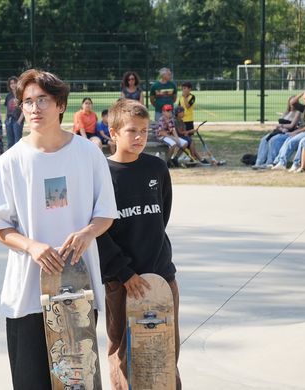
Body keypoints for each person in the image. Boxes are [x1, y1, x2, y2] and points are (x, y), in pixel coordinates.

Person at [0, 69, 117, 389]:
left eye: (42, 99)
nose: (34, 108)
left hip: (77, 290)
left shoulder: (88, 154)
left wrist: (87, 233)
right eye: (27, 101)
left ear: (60, 105)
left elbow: (106, 213)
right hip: (26, 294)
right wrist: (32, 246)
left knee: (76, 383)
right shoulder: (11, 161)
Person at [96, 98, 181, 390]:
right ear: (113, 132)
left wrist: (157, 269)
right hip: (122, 281)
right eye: (132, 130)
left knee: (165, 351)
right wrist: (124, 273)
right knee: (123, 353)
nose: (139, 137)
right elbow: (98, 232)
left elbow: (161, 215)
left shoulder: (156, 168)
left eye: (144, 131)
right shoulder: (102, 174)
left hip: (160, 277)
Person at [252, 95, 305, 169]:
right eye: (290, 103)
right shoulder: (286, 112)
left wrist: (281, 126)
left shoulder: (298, 112)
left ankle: (270, 162)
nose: (292, 105)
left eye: (294, 103)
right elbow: (280, 125)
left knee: (273, 140)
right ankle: (259, 162)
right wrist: (280, 126)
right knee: (264, 139)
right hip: (279, 130)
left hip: (288, 131)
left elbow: (291, 126)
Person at [271, 91, 305, 170]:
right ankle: (279, 162)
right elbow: (292, 102)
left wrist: (295, 132)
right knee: (285, 139)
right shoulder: (303, 108)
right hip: (299, 131)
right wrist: (302, 93)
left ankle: (285, 162)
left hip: (304, 131)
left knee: (287, 140)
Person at [4, 76, 24, 148]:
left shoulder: (21, 95)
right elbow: (7, 109)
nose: (13, 85)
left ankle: (18, 158)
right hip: (9, 120)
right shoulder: (8, 96)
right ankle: (10, 158)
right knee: (10, 142)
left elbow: (24, 109)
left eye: (15, 83)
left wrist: (19, 120)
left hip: (17, 120)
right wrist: (6, 119)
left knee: (17, 141)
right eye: (11, 83)